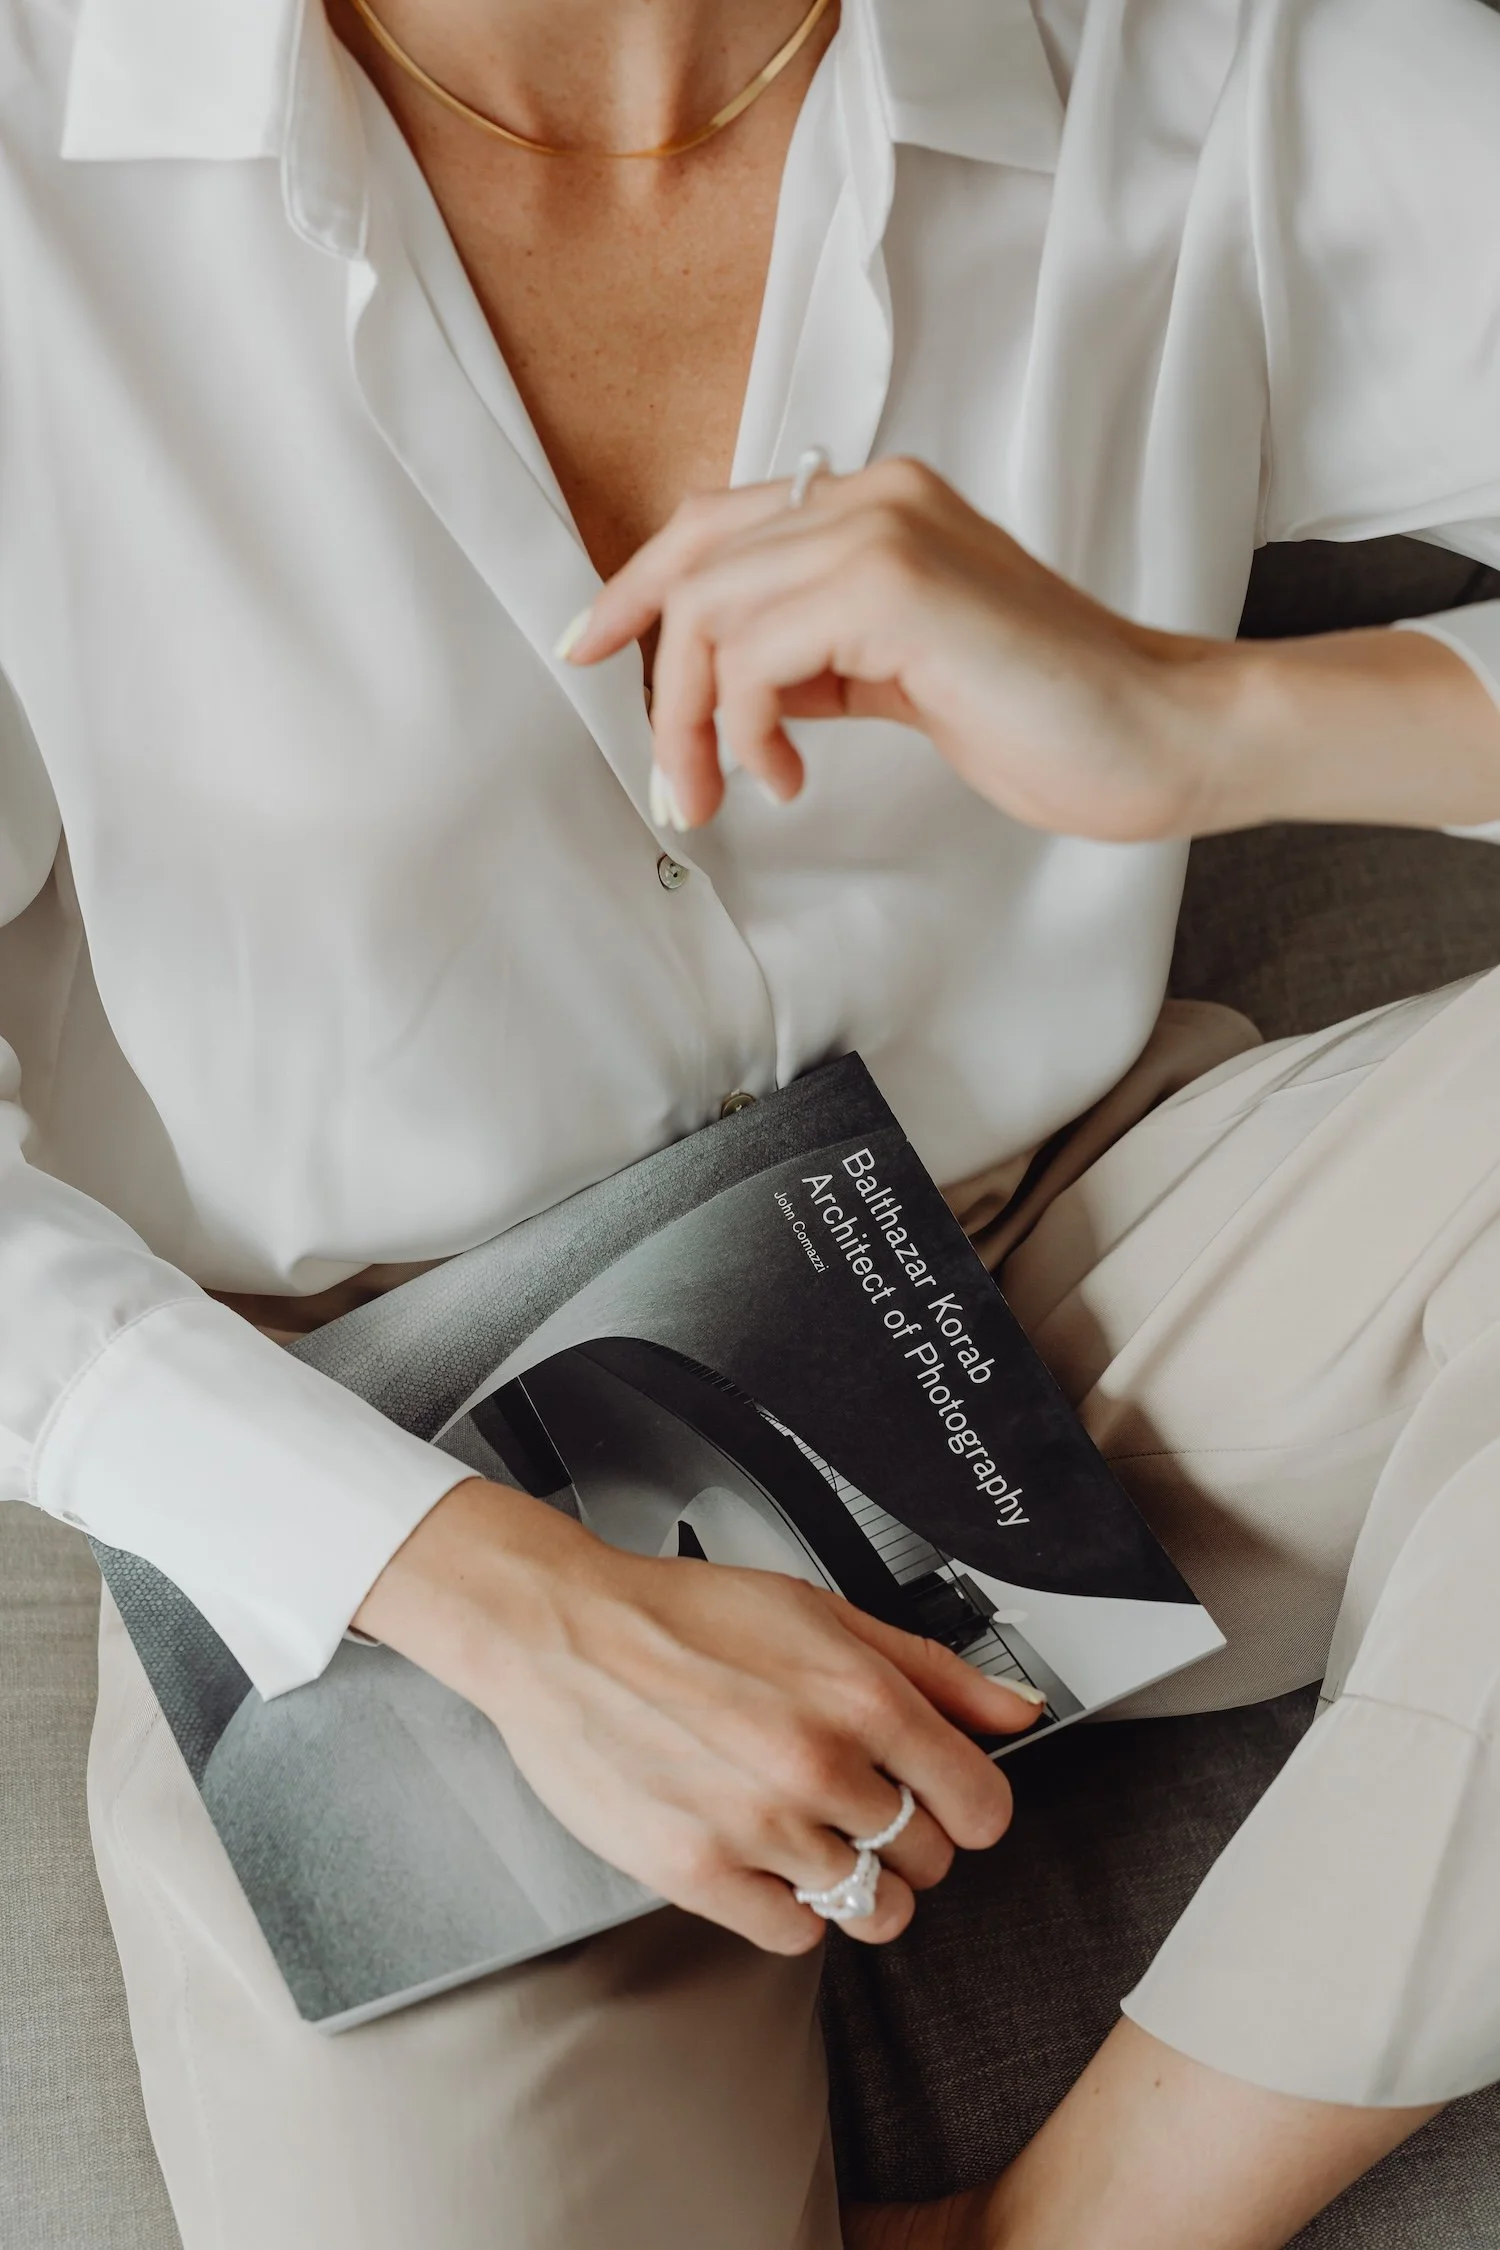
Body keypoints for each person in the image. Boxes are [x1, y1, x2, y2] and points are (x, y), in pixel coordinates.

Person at [4, 0, 1500, 2244]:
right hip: (391, 1490)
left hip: (1084, 1256)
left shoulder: (1210, 46)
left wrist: (1199, 721)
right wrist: (500, 1601)